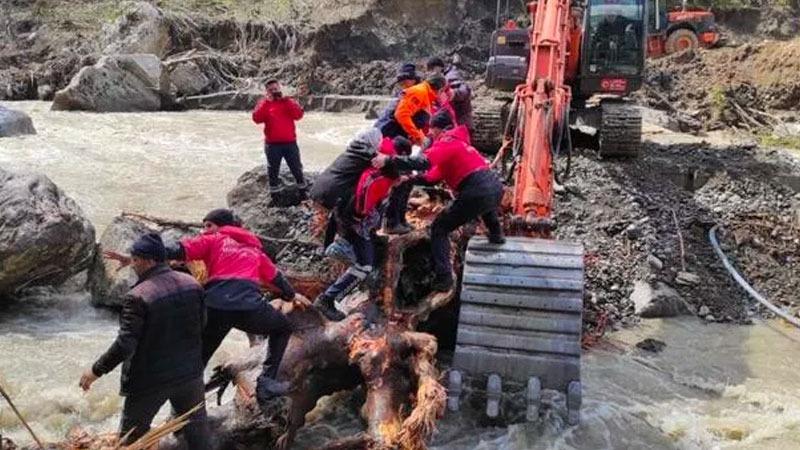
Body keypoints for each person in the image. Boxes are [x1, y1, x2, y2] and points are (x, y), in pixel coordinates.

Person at [80, 233, 210, 449]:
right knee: (199, 436)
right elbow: (202, 324)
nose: (133, 265)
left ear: (150, 261)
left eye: (136, 260)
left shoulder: (138, 296)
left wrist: (95, 371)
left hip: (150, 382)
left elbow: (125, 345)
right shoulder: (193, 284)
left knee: (131, 440)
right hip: (190, 375)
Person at [372, 111, 506, 292]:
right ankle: (496, 235)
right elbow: (432, 178)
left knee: (440, 228)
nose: (429, 135)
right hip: (494, 187)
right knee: (485, 206)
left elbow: (423, 162)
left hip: (475, 190)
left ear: (439, 129)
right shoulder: (461, 144)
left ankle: (444, 279)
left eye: (431, 131)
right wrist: (409, 178)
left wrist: (389, 159)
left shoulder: (447, 142)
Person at [314, 137, 412, 321]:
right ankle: (327, 299)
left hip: (342, 215)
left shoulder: (368, 164)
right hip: (355, 224)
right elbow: (366, 208)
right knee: (365, 265)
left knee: (366, 256)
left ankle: (340, 267)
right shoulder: (382, 177)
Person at [252, 79, 306, 193]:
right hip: (272, 144)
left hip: (290, 143)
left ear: (280, 89)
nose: (274, 92)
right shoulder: (264, 103)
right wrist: (267, 102)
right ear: (267, 92)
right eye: (271, 90)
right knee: (273, 171)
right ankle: (274, 195)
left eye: (275, 89)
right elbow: (256, 119)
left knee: (296, 168)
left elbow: (299, 115)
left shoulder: (288, 101)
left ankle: (303, 191)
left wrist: (287, 101)